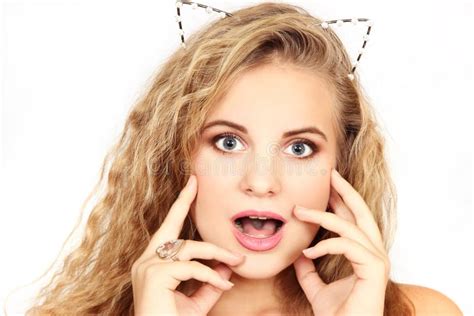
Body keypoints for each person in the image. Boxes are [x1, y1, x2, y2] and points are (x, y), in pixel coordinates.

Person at [22, 2, 462, 315]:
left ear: (340, 167)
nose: (261, 181)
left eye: (299, 148)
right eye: (229, 142)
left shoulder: (425, 312)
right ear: (175, 156)